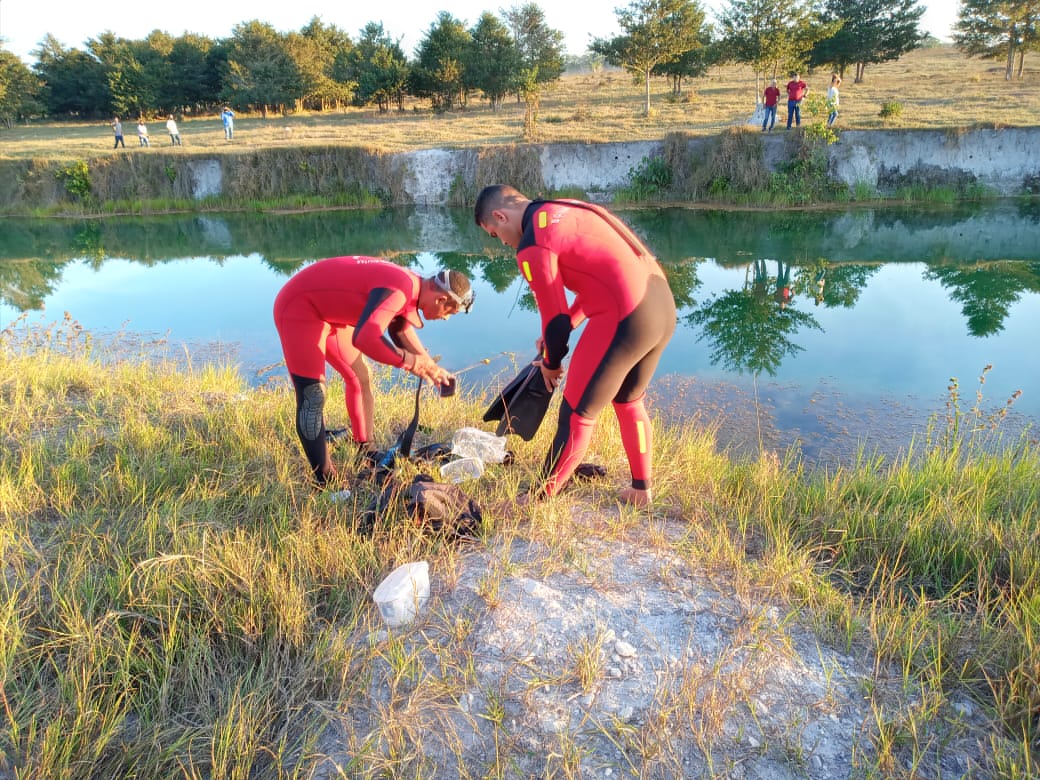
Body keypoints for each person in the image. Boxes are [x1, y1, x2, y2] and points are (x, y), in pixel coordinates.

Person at [474, 185, 677, 507]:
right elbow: (600, 280)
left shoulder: (533, 245)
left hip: (625, 317)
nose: (502, 242)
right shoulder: (567, 207)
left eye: (495, 234)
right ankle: (641, 490)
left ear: (500, 216)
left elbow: (554, 323)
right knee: (629, 401)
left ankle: (538, 499)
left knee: (577, 414)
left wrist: (551, 364)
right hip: (661, 306)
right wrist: (568, 324)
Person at [273, 256, 474, 488]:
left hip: (331, 313)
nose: (445, 318)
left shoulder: (411, 287)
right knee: (313, 396)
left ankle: (366, 449)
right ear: (441, 299)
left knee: (361, 378)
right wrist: (410, 362)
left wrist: (431, 367)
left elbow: (399, 329)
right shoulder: (400, 288)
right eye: (450, 313)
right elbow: (365, 338)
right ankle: (326, 482)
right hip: (300, 308)